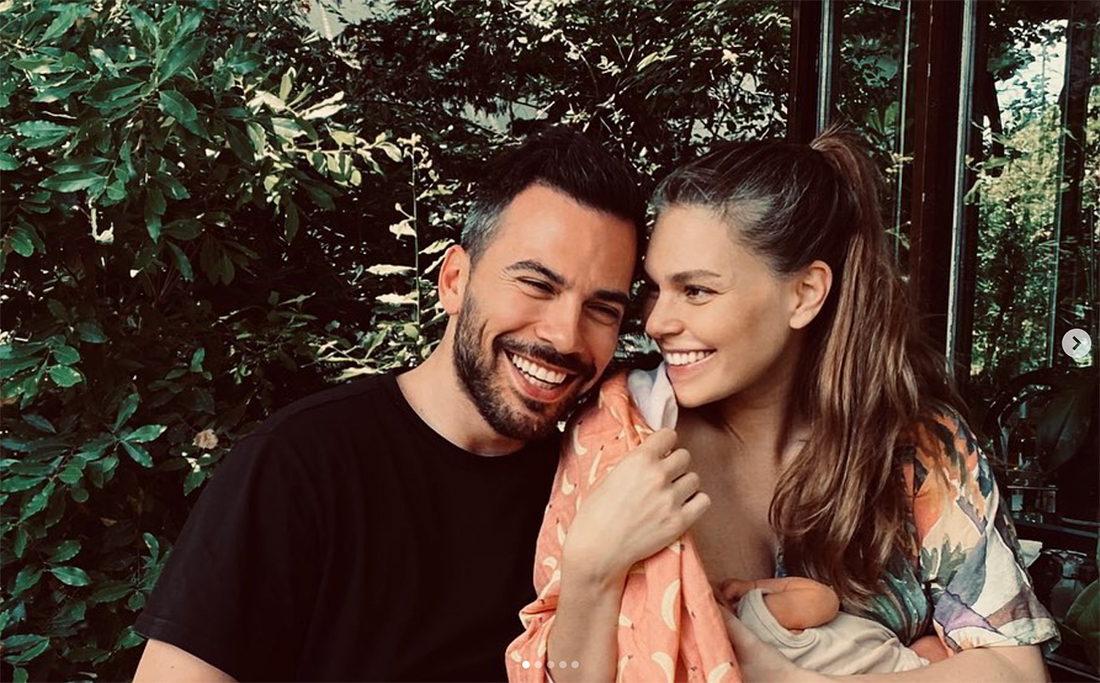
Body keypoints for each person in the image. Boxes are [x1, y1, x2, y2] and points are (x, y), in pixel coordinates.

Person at [506, 129, 1058, 682]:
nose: (657, 321)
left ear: (805, 294)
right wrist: (591, 571)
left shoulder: (921, 449)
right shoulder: (622, 430)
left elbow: (1016, 673)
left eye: (696, 291)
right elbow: (566, 674)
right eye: (654, 288)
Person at [131, 126, 645, 682]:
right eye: (537, 285)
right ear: (454, 280)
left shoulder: (590, 487)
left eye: (602, 310)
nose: (565, 335)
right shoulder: (301, 463)